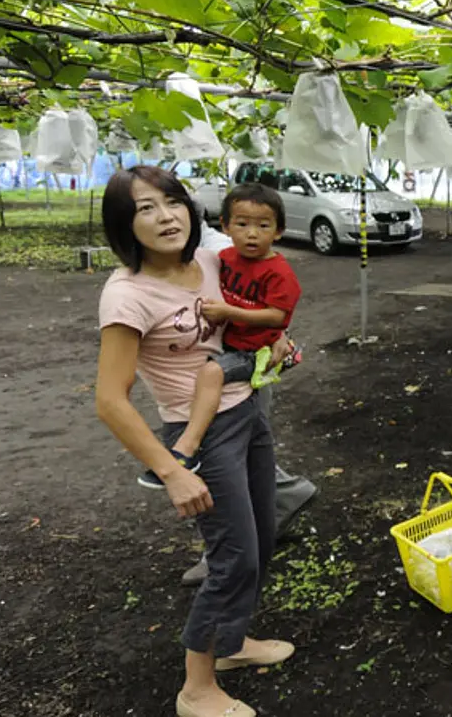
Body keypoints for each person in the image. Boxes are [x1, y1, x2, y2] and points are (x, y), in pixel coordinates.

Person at [95, 165, 294, 717]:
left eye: (173, 202)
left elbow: (247, 326)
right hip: (199, 436)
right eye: (145, 208)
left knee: (262, 537)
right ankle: (196, 687)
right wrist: (173, 469)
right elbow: (110, 399)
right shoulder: (127, 297)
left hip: (247, 412)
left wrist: (279, 344)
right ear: (123, 224)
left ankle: (230, 644)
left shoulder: (209, 261)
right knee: (232, 558)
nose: (166, 217)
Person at [137, 183, 302, 490]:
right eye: (242, 224)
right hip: (230, 346)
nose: (251, 233)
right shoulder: (223, 257)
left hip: (250, 350)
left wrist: (240, 317)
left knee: (215, 375)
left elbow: (277, 313)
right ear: (226, 225)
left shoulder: (263, 266)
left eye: (262, 226)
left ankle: (186, 448)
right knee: (250, 441)